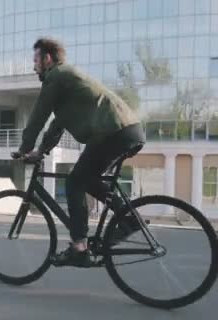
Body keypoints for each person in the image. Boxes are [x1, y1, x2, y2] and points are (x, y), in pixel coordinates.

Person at [12, 38, 146, 267]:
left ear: (47, 58)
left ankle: (79, 248)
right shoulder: (67, 81)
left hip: (113, 131)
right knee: (88, 180)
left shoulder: (56, 76)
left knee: (74, 182)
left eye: (36, 60)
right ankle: (129, 219)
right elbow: (56, 126)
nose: (34, 67)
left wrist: (24, 149)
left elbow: (37, 118)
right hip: (126, 130)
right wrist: (40, 152)